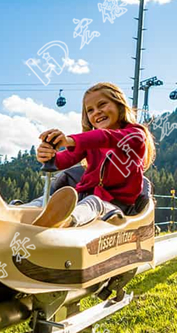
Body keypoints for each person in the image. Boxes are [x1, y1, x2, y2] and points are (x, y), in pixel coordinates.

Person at [31, 82, 156, 228]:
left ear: (119, 105)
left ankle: (66, 221)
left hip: (116, 208)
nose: (96, 112)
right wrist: (48, 155)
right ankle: (17, 212)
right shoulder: (90, 144)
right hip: (81, 199)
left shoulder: (135, 135)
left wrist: (69, 140)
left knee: (94, 203)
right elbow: (64, 160)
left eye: (102, 105)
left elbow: (106, 138)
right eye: (90, 110)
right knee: (48, 200)